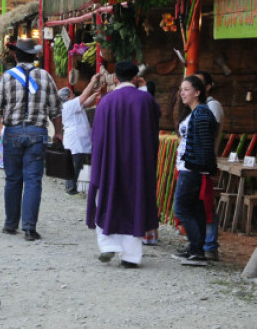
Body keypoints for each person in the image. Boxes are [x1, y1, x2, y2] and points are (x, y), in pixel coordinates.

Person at [86, 62, 160, 268]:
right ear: (136, 77)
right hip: (137, 162)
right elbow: (155, 121)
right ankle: (131, 256)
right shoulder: (145, 100)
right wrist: (144, 90)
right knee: (134, 202)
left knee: (107, 198)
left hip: (110, 160)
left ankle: (107, 244)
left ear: (116, 78)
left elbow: (97, 136)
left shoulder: (106, 101)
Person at [0, 39, 62, 241]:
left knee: (12, 179)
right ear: (35, 56)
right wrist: (59, 132)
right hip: (37, 133)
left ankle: (11, 224)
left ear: (15, 55)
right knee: (33, 180)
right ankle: (29, 227)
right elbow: (55, 108)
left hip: (12, 132)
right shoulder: (46, 77)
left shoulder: (6, 78)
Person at [171, 75, 218, 267]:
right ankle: (196, 249)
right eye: (181, 89)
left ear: (198, 92)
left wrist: (208, 167)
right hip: (190, 166)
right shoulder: (195, 113)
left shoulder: (202, 113)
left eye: (187, 89)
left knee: (181, 207)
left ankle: (197, 248)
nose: (182, 93)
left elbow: (207, 144)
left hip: (193, 168)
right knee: (195, 208)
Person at [194, 71, 224, 261]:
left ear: (207, 87)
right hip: (195, 162)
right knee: (196, 203)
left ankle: (210, 245)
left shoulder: (213, 106)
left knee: (207, 203)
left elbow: (209, 135)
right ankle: (199, 243)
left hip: (205, 161)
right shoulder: (199, 105)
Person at [59, 74, 102, 196]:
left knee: (79, 164)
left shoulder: (72, 105)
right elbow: (83, 98)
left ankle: (75, 187)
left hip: (80, 140)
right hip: (75, 141)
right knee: (75, 164)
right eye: (72, 94)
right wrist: (92, 81)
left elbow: (86, 103)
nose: (74, 95)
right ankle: (71, 187)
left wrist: (94, 94)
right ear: (67, 97)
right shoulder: (68, 105)